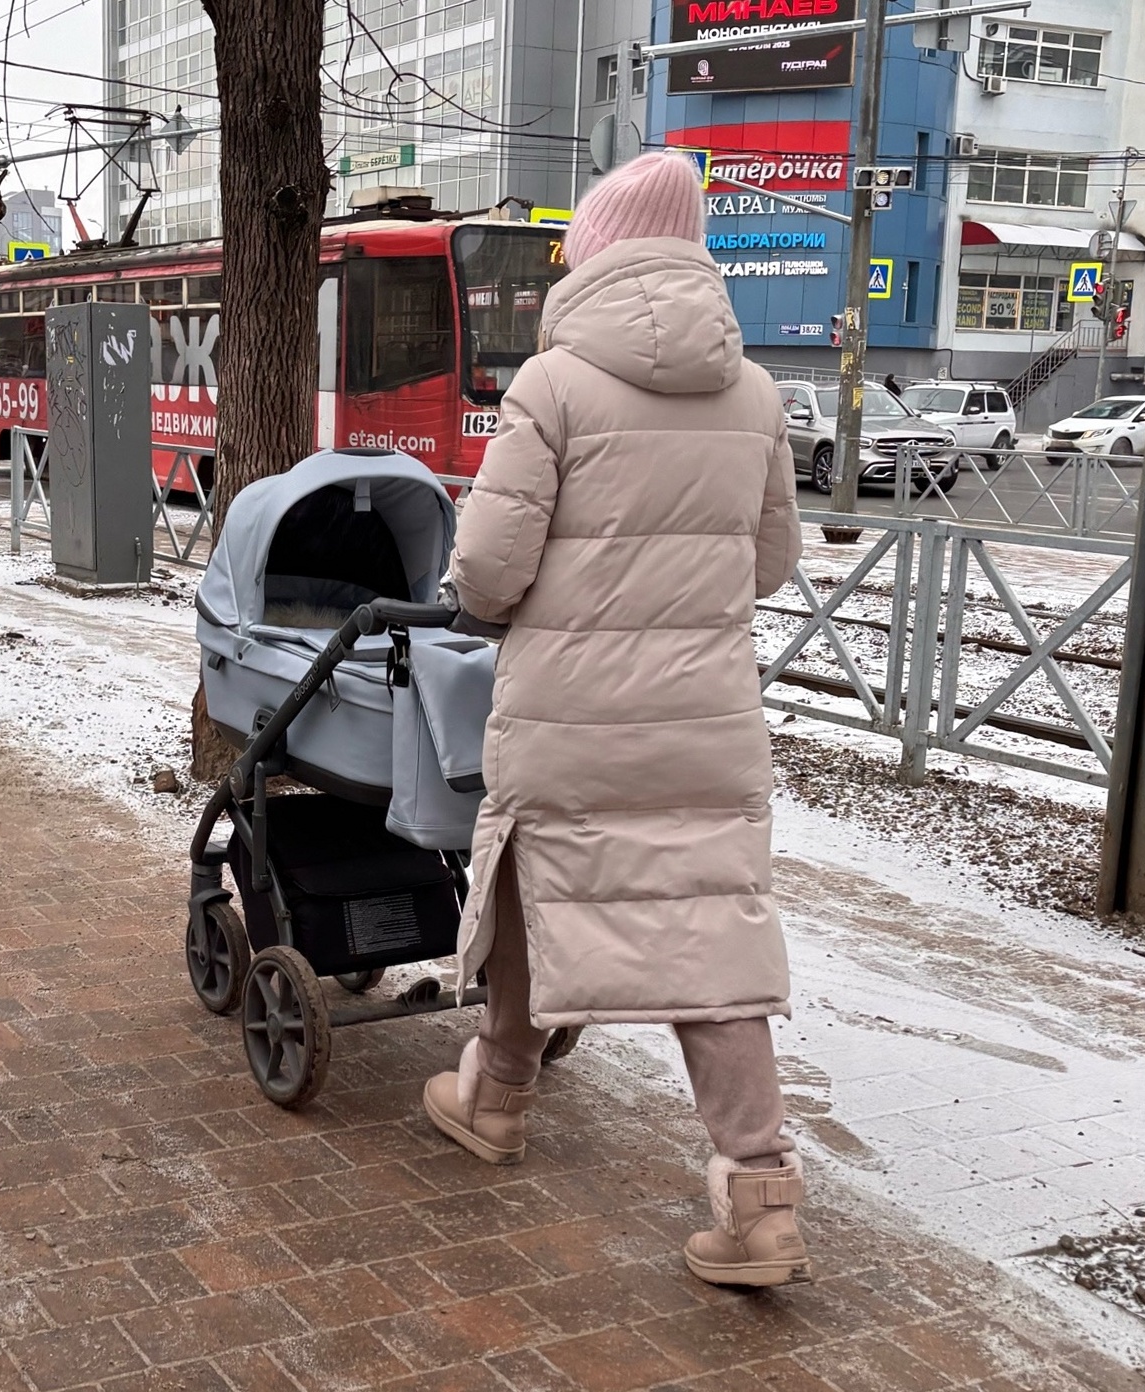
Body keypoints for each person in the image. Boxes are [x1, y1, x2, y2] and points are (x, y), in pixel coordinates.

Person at [426, 151, 809, 1287]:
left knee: (531, 891)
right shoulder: (754, 394)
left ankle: (495, 1100)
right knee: (709, 942)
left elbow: (489, 570)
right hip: (703, 719)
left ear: (591, 255)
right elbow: (773, 562)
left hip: (570, 715)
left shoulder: (551, 387)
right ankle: (760, 1197)